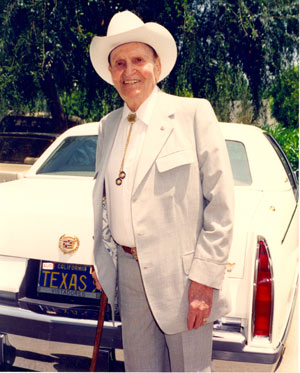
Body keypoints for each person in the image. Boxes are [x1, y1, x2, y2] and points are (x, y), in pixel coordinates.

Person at [89, 10, 234, 372]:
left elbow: (221, 204)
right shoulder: (108, 126)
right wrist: (105, 254)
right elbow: (109, 200)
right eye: (119, 63)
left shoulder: (192, 114)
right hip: (128, 274)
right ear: (110, 73)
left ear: (157, 64)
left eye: (138, 60)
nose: (129, 71)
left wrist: (205, 278)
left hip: (184, 280)